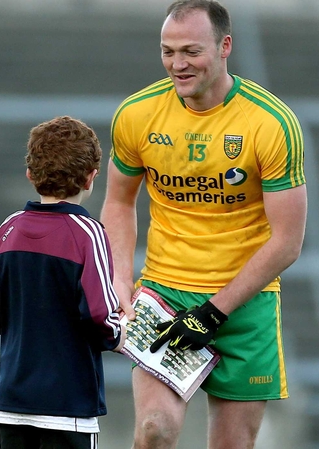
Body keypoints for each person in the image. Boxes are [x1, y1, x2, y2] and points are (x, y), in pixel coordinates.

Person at [100, 1, 307, 448]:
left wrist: (215, 312)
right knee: (155, 431)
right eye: (167, 51)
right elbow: (118, 202)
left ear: (225, 46)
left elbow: (288, 242)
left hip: (244, 303)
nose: (178, 64)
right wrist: (118, 281)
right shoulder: (137, 114)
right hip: (165, 294)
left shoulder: (271, 123)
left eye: (191, 51)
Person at [0, 116, 126, 449]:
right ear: (90, 178)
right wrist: (119, 334)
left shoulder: (9, 229)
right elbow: (100, 314)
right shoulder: (88, 234)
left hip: (11, 404)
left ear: (30, 174)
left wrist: (30, 329)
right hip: (67, 405)